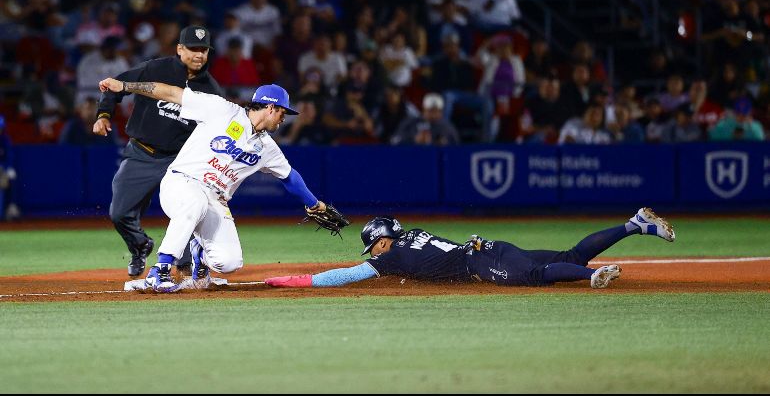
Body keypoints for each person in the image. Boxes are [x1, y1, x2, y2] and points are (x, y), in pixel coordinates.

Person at [97, 77, 337, 292]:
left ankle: (199, 257)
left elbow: (289, 177)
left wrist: (314, 204)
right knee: (195, 202)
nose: (284, 118)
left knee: (229, 262)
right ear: (271, 107)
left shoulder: (267, 147)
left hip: (215, 199)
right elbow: (170, 93)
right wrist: (125, 86)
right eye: (283, 112)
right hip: (182, 183)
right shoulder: (221, 109)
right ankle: (159, 271)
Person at [264, 208, 675, 289]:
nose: (374, 252)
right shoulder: (413, 234)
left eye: (375, 244)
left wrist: (300, 280)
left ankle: (592, 277)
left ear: (384, 239)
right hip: (489, 245)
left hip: (481, 259)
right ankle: (634, 224)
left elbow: (348, 276)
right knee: (566, 256)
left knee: (533, 277)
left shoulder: (392, 258)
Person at [92, 26, 225, 278]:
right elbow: (115, 86)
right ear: (179, 49)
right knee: (119, 213)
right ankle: (140, 245)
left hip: (179, 162)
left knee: (187, 210)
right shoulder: (156, 69)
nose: (199, 55)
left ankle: (186, 261)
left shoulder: (211, 89)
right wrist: (104, 114)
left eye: (204, 50)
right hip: (141, 153)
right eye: (193, 49)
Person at [0, 115, 20, 221]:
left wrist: (5, 169)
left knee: (12, 174)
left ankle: (12, 206)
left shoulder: (5, 139)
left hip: (2, 169)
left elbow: (9, 157)